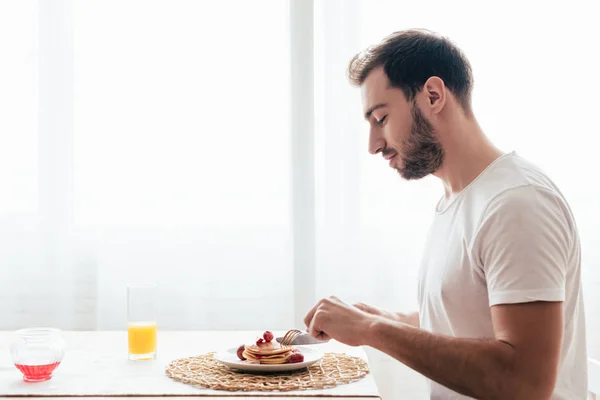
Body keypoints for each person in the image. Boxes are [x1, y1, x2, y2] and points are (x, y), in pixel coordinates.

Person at [303, 29, 587, 399]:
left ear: (433, 96)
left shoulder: (517, 202)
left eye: (381, 118)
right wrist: (386, 320)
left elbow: (525, 382)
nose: (373, 145)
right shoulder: (462, 200)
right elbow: (468, 323)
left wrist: (372, 329)